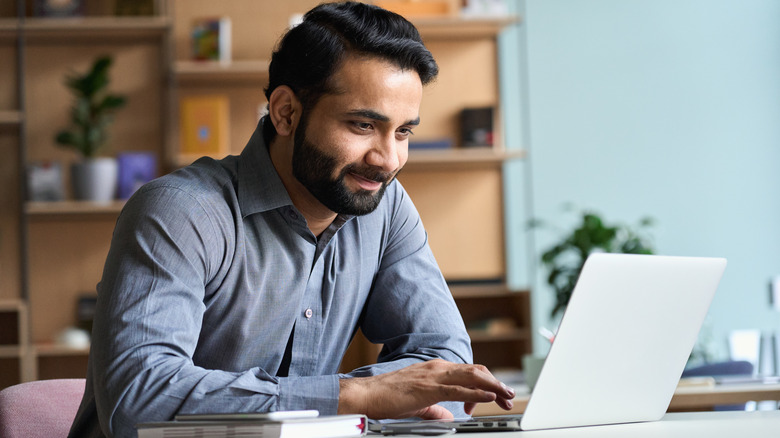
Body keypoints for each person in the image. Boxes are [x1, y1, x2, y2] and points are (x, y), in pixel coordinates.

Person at [68, 2, 514, 437]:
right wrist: (353, 396)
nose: (388, 159)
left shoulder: (386, 206)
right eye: (362, 125)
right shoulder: (180, 211)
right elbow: (138, 401)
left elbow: (445, 359)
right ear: (286, 113)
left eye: (403, 132)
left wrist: (386, 398)